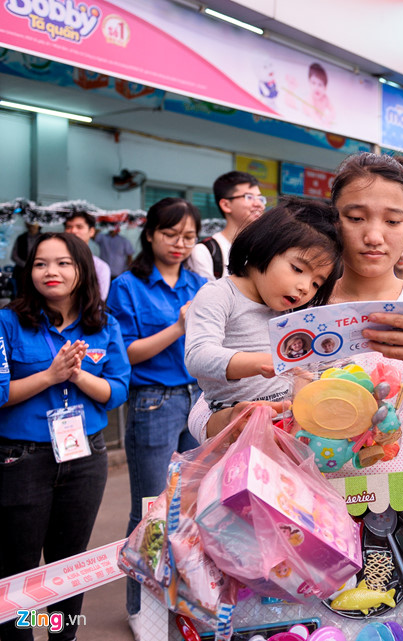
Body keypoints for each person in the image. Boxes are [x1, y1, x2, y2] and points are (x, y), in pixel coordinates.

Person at [189, 153, 403, 486]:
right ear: (333, 221)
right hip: (303, 503)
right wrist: (229, 421)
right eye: (356, 218)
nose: (374, 236)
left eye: (392, 221)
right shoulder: (293, 301)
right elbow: (207, 404)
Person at [0, 233, 130, 641]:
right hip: (21, 459)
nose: (50, 272)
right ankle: (20, 635)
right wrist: (50, 376)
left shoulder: (103, 324)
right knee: (19, 566)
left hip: (85, 457)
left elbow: (117, 391)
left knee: (69, 564)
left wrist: (78, 376)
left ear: (82, 269)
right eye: (40, 264)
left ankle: (62, 635)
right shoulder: (8, 322)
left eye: (62, 263)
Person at [105, 198, 207, 632]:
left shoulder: (200, 283)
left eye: (188, 236)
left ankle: (182, 603)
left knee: (193, 507)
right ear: (149, 234)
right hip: (154, 400)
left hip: (199, 398)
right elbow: (126, 352)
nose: (179, 243)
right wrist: (179, 328)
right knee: (150, 507)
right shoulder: (127, 286)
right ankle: (140, 609)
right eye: (170, 234)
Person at [185, 198, 342, 411]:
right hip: (237, 420)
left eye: (316, 283)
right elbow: (198, 356)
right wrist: (263, 363)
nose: (305, 287)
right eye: (297, 269)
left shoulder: (290, 311)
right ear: (261, 246)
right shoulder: (219, 295)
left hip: (285, 420)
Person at [186, 171, 266, 281]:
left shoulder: (265, 250)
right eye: (249, 197)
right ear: (226, 205)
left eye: (260, 198)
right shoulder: (205, 252)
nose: (258, 204)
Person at [64, 211, 111, 300]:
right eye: (68, 227)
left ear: (91, 231)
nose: (73, 231)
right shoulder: (53, 262)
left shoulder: (100, 267)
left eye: (79, 227)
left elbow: (98, 302)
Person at [11, 222, 41, 291]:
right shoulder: (21, 238)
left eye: (35, 223)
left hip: (39, 271)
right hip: (21, 272)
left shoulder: (43, 238)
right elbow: (14, 256)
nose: (32, 225)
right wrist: (26, 265)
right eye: (30, 222)